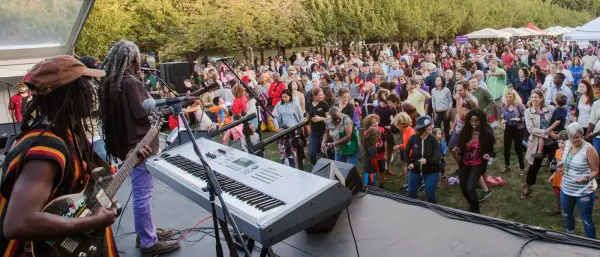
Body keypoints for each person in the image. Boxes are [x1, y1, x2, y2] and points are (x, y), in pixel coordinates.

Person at [0, 55, 141, 257]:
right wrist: (92, 221)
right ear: (68, 94)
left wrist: (133, 161)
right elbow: (18, 223)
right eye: (85, 86)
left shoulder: (68, 134)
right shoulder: (46, 148)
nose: (93, 92)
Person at [99, 40, 180, 255]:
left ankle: (146, 231)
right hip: (140, 147)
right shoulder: (131, 83)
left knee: (140, 192)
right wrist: (173, 109)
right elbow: (146, 114)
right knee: (143, 194)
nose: (139, 61)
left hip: (125, 146)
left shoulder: (110, 83)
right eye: (137, 57)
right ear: (131, 58)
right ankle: (148, 241)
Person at [559, 123, 598, 239]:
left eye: (578, 136)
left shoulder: (589, 149)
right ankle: (570, 236)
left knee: (586, 218)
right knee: (566, 214)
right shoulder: (567, 144)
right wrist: (561, 165)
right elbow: (565, 160)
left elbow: (595, 170)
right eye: (572, 137)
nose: (575, 140)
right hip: (566, 188)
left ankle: (592, 244)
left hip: (584, 191)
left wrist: (586, 178)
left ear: (582, 134)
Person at [453, 109, 495, 213]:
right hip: (464, 163)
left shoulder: (487, 134)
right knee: (463, 187)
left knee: (470, 188)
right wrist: (457, 149)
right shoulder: (465, 131)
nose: (473, 123)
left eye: (476, 120)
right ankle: (472, 205)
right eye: (471, 121)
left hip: (477, 164)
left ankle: (476, 211)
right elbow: (460, 146)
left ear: (481, 121)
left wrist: (487, 155)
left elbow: (491, 151)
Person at [522, 89, 558, 200]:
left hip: (552, 143)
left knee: (555, 166)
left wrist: (557, 133)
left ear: (541, 98)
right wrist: (547, 132)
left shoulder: (551, 109)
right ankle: (528, 187)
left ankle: (558, 189)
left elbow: (561, 119)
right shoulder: (528, 112)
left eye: (536, 97)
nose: (533, 99)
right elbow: (530, 129)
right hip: (538, 143)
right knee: (533, 167)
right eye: (532, 97)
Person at [406, 116, 440, 203]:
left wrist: (426, 161)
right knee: (410, 194)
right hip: (415, 171)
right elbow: (405, 152)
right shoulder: (413, 139)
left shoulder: (434, 140)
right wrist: (409, 163)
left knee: (430, 195)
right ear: (421, 127)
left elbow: (436, 159)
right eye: (427, 125)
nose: (430, 127)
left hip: (431, 172)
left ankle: (432, 211)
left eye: (430, 125)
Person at [533, 93, 567, 158]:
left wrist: (549, 129)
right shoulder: (564, 109)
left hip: (556, 130)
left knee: (542, 136)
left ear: (556, 101)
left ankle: (540, 152)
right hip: (559, 129)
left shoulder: (558, 110)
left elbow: (558, 121)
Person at [500, 89, 526, 174]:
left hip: (518, 129)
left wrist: (519, 119)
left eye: (510, 96)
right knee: (506, 148)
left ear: (514, 97)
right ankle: (507, 166)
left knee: (518, 148)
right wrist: (503, 120)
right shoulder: (504, 105)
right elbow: (503, 115)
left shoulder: (520, 106)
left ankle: (522, 168)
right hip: (508, 128)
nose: (508, 98)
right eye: (507, 97)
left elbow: (526, 117)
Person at [307, 87, 330, 165]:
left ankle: (327, 168)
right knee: (311, 153)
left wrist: (320, 118)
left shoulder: (324, 104)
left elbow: (329, 119)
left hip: (323, 132)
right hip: (313, 132)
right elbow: (308, 116)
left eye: (322, 95)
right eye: (319, 95)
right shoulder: (309, 104)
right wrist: (305, 119)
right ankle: (315, 166)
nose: (322, 96)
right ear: (314, 95)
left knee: (323, 153)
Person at [547, 131, 568, 216]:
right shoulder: (557, 151)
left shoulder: (570, 153)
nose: (560, 144)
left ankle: (565, 212)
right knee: (557, 194)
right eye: (559, 142)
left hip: (565, 178)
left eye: (563, 142)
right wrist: (553, 175)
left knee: (565, 197)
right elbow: (556, 166)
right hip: (557, 177)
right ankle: (558, 209)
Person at [485, 60, 506, 128]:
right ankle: (494, 123)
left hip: (499, 96)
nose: (489, 67)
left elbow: (503, 74)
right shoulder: (488, 73)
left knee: (500, 112)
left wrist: (493, 74)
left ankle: (501, 124)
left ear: (495, 64)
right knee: (492, 112)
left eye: (490, 65)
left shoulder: (500, 70)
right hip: (491, 97)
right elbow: (487, 84)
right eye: (488, 65)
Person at [431, 76, 452, 141]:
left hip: (445, 111)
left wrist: (449, 110)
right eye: (436, 80)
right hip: (437, 112)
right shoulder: (433, 90)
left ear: (442, 82)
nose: (436, 81)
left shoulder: (446, 90)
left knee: (446, 128)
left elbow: (450, 101)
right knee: (436, 128)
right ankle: (436, 142)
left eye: (438, 80)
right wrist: (434, 112)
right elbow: (433, 101)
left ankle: (447, 142)